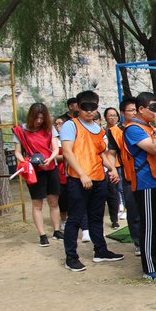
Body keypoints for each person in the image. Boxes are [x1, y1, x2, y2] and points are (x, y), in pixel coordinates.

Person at [60, 90, 124, 271]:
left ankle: (101, 250)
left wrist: (112, 169)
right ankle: (71, 256)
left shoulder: (99, 129)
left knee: (96, 217)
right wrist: (81, 174)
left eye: (92, 108)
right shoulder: (71, 126)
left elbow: (101, 152)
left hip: (98, 178)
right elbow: (67, 151)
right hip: (78, 179)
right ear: (78, 107)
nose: (89, 111)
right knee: (75, 218)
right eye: (85, 108)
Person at [120, 93, 156, 281]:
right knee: (150, 227)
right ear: (141, 109)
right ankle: (150, 268)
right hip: (146, 183)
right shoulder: (133, 129)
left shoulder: (150, 127)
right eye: (154, 108)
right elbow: (153, 148)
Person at [12, 103, 62, 247]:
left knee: (53, 201)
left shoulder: (49, 129)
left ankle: (57, 230)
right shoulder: (20, 130)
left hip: (51, 168)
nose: (39, 121)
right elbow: (17, 152)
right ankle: (42, 234)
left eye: (42, 118)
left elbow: (55, 148)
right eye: (36, 118)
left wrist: (50, 159)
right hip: (34, 171)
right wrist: (26, 162)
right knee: (37, 203)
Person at [107, 99, 141, 255]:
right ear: (123, 113)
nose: (134, 113)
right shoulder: (115, 131)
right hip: (128, 175)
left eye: (136, 110)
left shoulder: (144, 126)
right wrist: (112, 169)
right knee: (133, 210)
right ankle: (138, 242)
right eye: (131, 110)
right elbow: (112, 153)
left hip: (147, 174)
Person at [103, 107, 122, 229]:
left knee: (116, 191)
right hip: (106, 166)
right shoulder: (102, 131)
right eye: (109, 115)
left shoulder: (121, 130)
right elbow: (106, 151)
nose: (112, 118)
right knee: (109, 193)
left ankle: (115, 217)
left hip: (118, 165)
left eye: (114, 115)